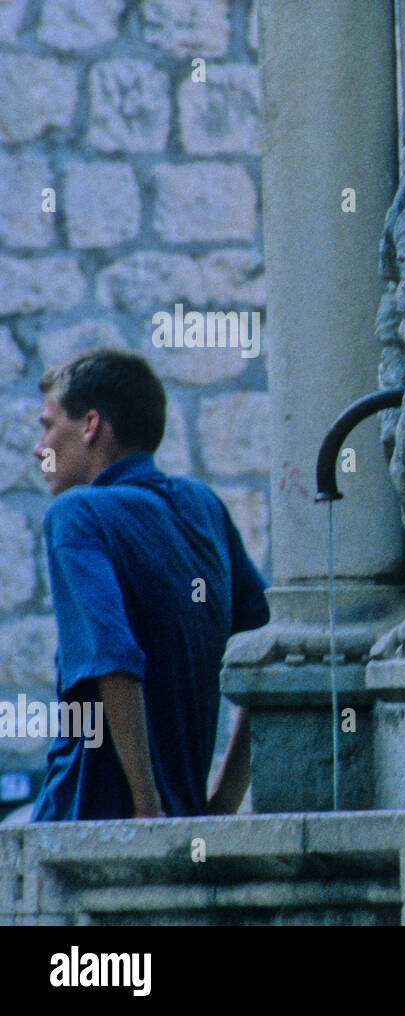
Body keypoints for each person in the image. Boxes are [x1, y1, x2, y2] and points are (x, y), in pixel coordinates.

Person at [29, 349, 269, 821]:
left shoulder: (75, 515)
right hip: (184, 816)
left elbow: (113, 656)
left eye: (48, 425)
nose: (40, 447)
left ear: (91, 425)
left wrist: (147, 809)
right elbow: (271, 651)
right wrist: (223, 801)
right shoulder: (204, 507)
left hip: (86, 824)